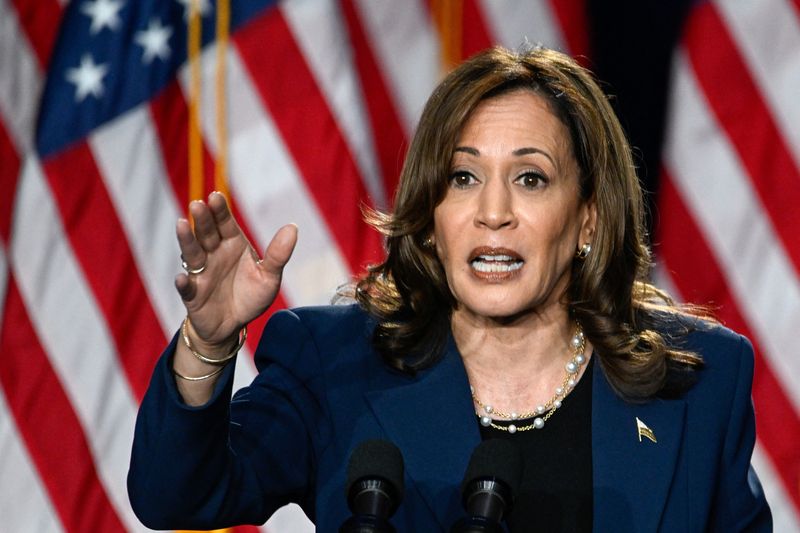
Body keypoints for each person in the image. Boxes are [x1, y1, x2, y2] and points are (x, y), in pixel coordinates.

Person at [128, 46, 772, 532]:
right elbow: (176, 497)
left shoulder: (697, 384)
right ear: (432, 219)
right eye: (463, 178)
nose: (493, 212)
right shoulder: (336, 364)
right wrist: (207, 344)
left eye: (530, 179)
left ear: (589, 217)